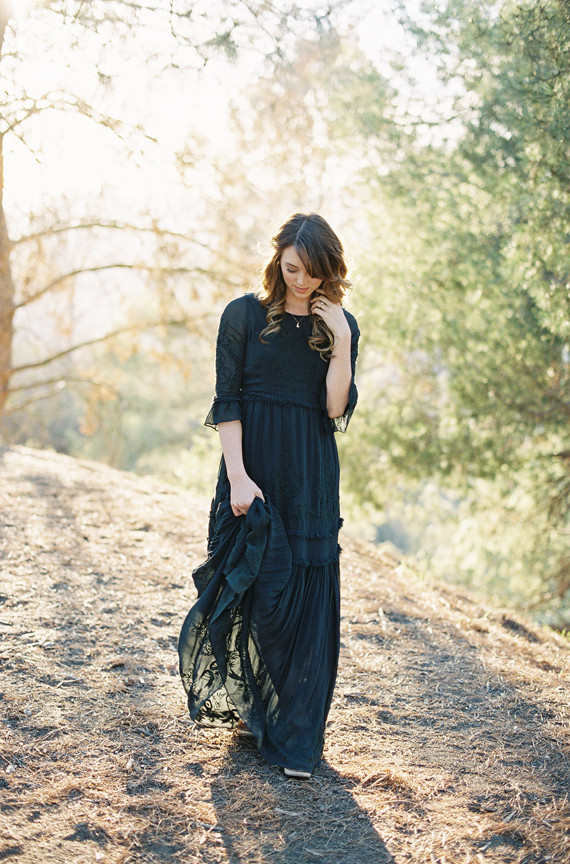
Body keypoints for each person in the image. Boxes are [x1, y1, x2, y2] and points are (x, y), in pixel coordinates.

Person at [178, 212, 360, 778]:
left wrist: (344, 343)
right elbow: (226, 400)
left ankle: (298, 738)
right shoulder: (243, 315)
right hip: (251, 470)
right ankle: (256, 711)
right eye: (291, 268)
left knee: (304, 600)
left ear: (329, 271)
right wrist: (237, 475)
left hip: (309, 474)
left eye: (312, 272)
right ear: (277, 260)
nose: (300, 281)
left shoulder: (338, 324)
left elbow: (334, 409)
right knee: (254, 594)